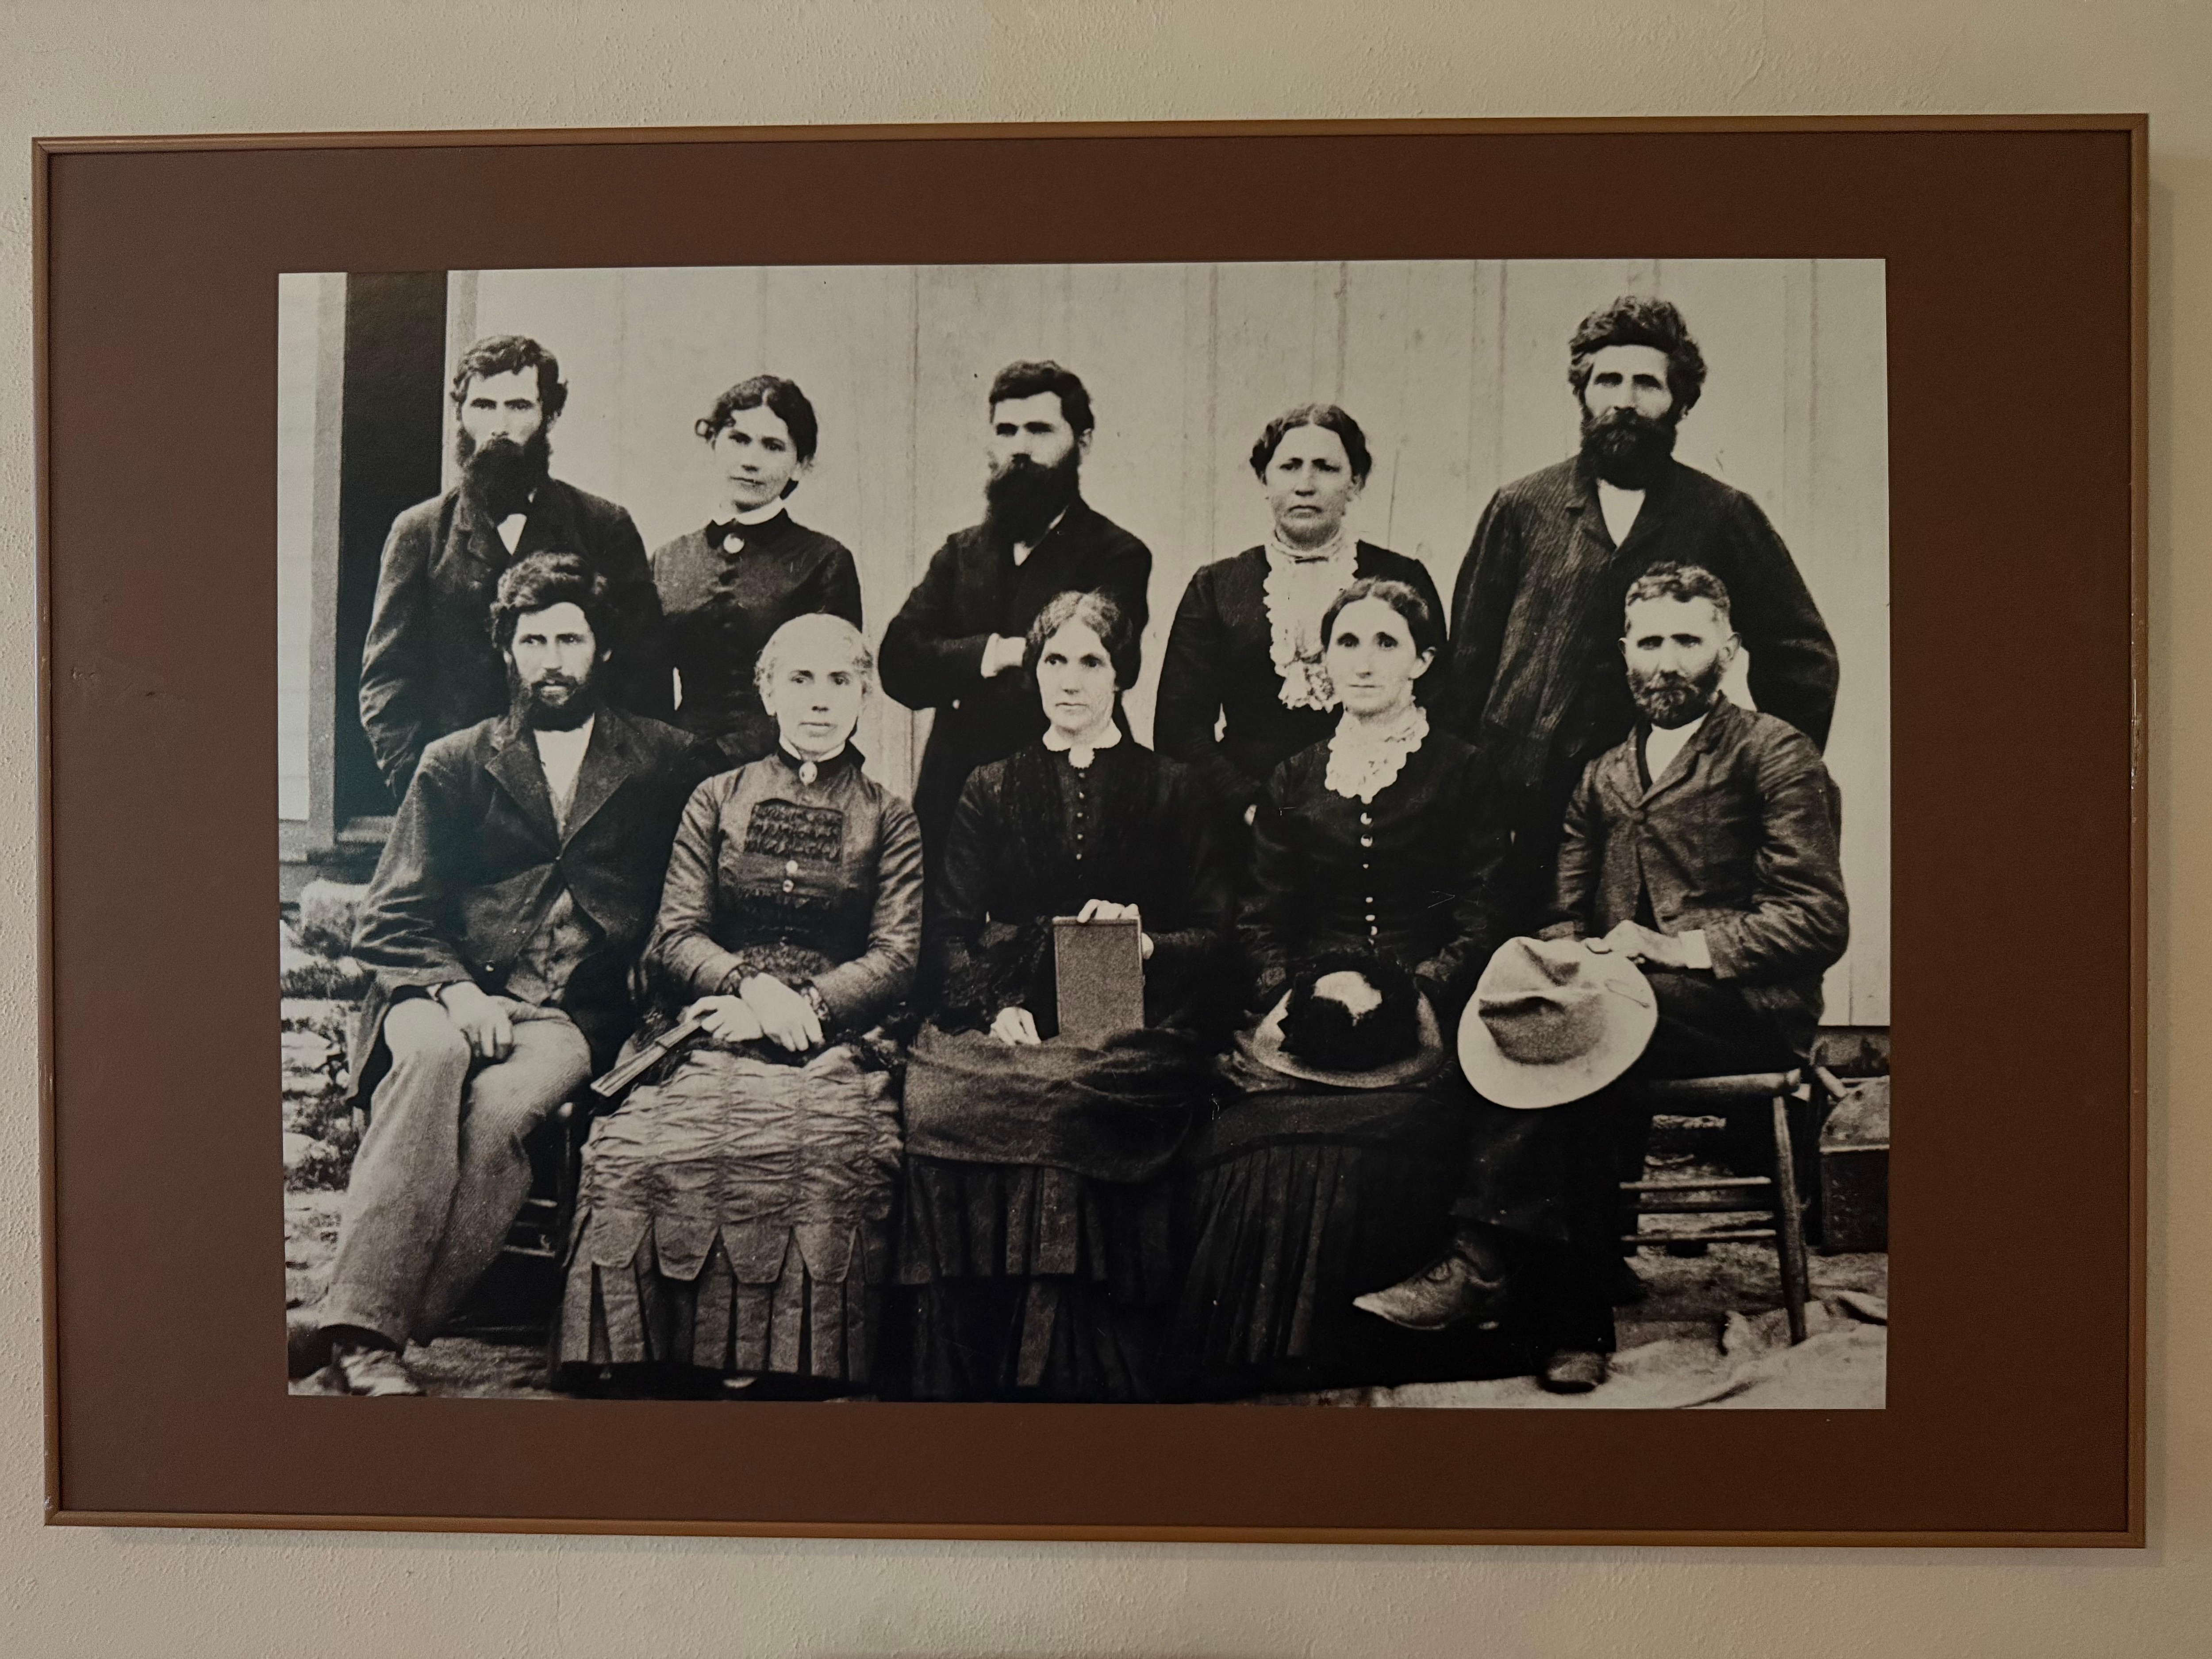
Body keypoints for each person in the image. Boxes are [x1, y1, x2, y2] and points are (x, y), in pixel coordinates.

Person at [1359, 561, 1849, 1393]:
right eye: (1650, 640)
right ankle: (1562, 1320)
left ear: (1727, 651)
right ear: (1624, 651)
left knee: (1584, 1037)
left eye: (1688, 641)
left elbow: (1816, 918)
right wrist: (1568, 961)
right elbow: (1561, 911)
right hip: (1620, 1004)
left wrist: (1679, 950)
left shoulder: (1774, 754)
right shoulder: (1603, 772)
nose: (1666, 662)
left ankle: (1491, 1265)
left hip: (1743, 1006)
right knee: (1548, 1032)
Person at [293, 554, 715, 1395]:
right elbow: (391, 916)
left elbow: (704, 876)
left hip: (567, 1014)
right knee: (435, 1059)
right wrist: (455, 991)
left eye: (569, 638)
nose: (552, 658)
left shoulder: (666, 760)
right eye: (533, 641)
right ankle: (367, 1339)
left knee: (505, 1109)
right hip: (434, 989)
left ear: (599, 649)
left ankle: (362, 1326)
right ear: (508, 652)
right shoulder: (456, 760)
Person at [554, 613, 923, 1397]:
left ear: (864, 697)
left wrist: (808, 1007)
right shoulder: (715, 799)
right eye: (800, 679)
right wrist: (746, 989)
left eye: (839, 682)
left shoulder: (891, 817)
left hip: (835, 1038)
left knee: (825, 1156)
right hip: (713, 1022)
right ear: (767, 691)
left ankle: (782, 1357)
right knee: (640, 1152)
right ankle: (658, 1349)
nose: (819, 701)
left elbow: (896, 957)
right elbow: (677, 934)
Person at [1167, 578, 1515, 1397]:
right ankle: (1261, 1350)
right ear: (1323, 662)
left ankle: (1369, 1343)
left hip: (1430, 1005)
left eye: (1386, 643)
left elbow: (1484, 914)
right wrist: (1295, 991)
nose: (1363, 662)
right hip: (1311, 1006)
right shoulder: (1294, 776)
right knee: (1249, 1133)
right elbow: (1260, 918)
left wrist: (1417, 989)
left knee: (1399, 1124)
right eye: (1347, 644)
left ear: (1423, 662)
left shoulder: (1467, 771)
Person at [897, 590, 1233, 1400]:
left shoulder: (1175, 786)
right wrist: (988, 1007)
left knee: (1073, 1092)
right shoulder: (989, 785)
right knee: (941, 1100)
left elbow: (1221, 934)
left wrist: (1147, 943)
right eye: (1054, 661)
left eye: (1092, 662)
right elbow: (946, 928)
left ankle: (1076, 1359)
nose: (1070, 681)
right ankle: (985, 1352)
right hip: (1009, 1012)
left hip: (1136, 1020)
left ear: (1123, 676)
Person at [1440, 296, 1838, 923]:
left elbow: (1801, 654)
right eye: (1608, 380)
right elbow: (1467, 656)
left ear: (1680, 402)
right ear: (1584, 394)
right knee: (1516, 974)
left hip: (1656, 802)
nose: (1625, 399)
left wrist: (1762, 775)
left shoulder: (1724, 513)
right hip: (1522, 797)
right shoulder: (1522, 506)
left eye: (1647, 383)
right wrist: (1462, 785)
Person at [359, 333, 673, 802]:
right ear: (460, 413)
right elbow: (387, 679)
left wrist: (610, 792)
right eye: (483, 406)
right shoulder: (419, 531)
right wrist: (421, 787)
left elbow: (644, 677)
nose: (499, 426)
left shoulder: (603, 525)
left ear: (550, 414)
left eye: (519, 406)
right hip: (462, 795)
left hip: (577, 795)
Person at [879, 361, 1153, 862]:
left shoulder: (1116, 555)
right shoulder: (960, 553)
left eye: (1039, 430)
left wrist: (954, 666)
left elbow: (1111, 669)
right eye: (1006, 431)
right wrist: (999, 653)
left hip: (1073, 784)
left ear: (1083, 442)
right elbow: (898, 664)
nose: (1020, 448)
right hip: (955, 785)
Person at [1155, 404, 1447, 829]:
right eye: (1290, 467)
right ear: (1264, 480)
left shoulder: (1402, 577)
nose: (1305, 485)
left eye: (1326, 468)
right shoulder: (1218, 586)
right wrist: (1252, 806)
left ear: (1356, 482)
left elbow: (1439, 706)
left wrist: (1394, 801)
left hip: (1381, 814)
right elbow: (1179, 729)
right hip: (1250, 820)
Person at [651, 375, 865, 765]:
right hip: (677, 769)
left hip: (784, 765)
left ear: (800, 466)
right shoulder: (668, 560)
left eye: (773, 446)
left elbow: (834, 693)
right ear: (714, 443)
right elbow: (646, 689)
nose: (750, 461)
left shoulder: (825, 559)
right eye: (739, 440)